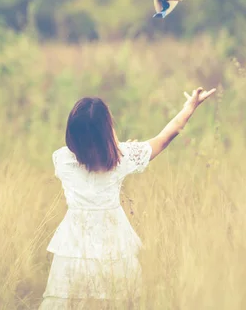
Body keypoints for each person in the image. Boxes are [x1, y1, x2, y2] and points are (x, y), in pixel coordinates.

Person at [39, 87, 216, 309]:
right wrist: (189, 107)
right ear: (107, 131)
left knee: (70, 300)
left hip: (73, 250)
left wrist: (118, 149)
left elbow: (89, 154)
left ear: (72, 135)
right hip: (114, 250)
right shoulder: (122, 158)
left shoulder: (62, 160)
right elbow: (163, 139)